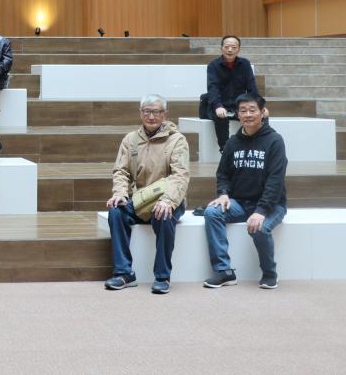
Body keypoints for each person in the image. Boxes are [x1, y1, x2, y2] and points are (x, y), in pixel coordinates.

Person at [104, 94, 190, 295]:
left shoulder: (177, 140)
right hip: (140, 200)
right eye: (147, 111)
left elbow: (180, 175)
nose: (151, 116)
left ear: (165, 114)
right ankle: (124, 273)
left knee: (164, 216)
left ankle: (162, 276)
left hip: (169, 199)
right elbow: (121, 171)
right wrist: (120, 193)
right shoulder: (131, 140)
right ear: (141, 113)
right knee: (116, 212)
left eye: (156, 112)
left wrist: (168, 200)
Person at [203, 93, 288, 290]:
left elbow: (275, 181)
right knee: (212, 212)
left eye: (252, 110)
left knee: (260, 228)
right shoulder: (232, 142)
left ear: (262, 112)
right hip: (240, 203)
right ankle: (224, 271)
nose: (248, 114)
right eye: (243, 111)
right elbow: (222, 173)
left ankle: (269, 273)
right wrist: (223, 193)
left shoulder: (275, 141)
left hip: (271, 205)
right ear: (238, 115)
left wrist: (261, 211)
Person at [205, 35, 260, 152]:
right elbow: (213, 88)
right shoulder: (213, 66)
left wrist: (259, 106)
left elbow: (252, 87)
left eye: (234, 47)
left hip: (238, 106)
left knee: (260, 114)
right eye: (227, 47)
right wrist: (218, 106)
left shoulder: (245, 64)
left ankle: (259, 146)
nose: (230, 50)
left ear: (238, 49)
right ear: (221, 48)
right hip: (219, 105)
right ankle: (225, 150)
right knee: (221, 117)